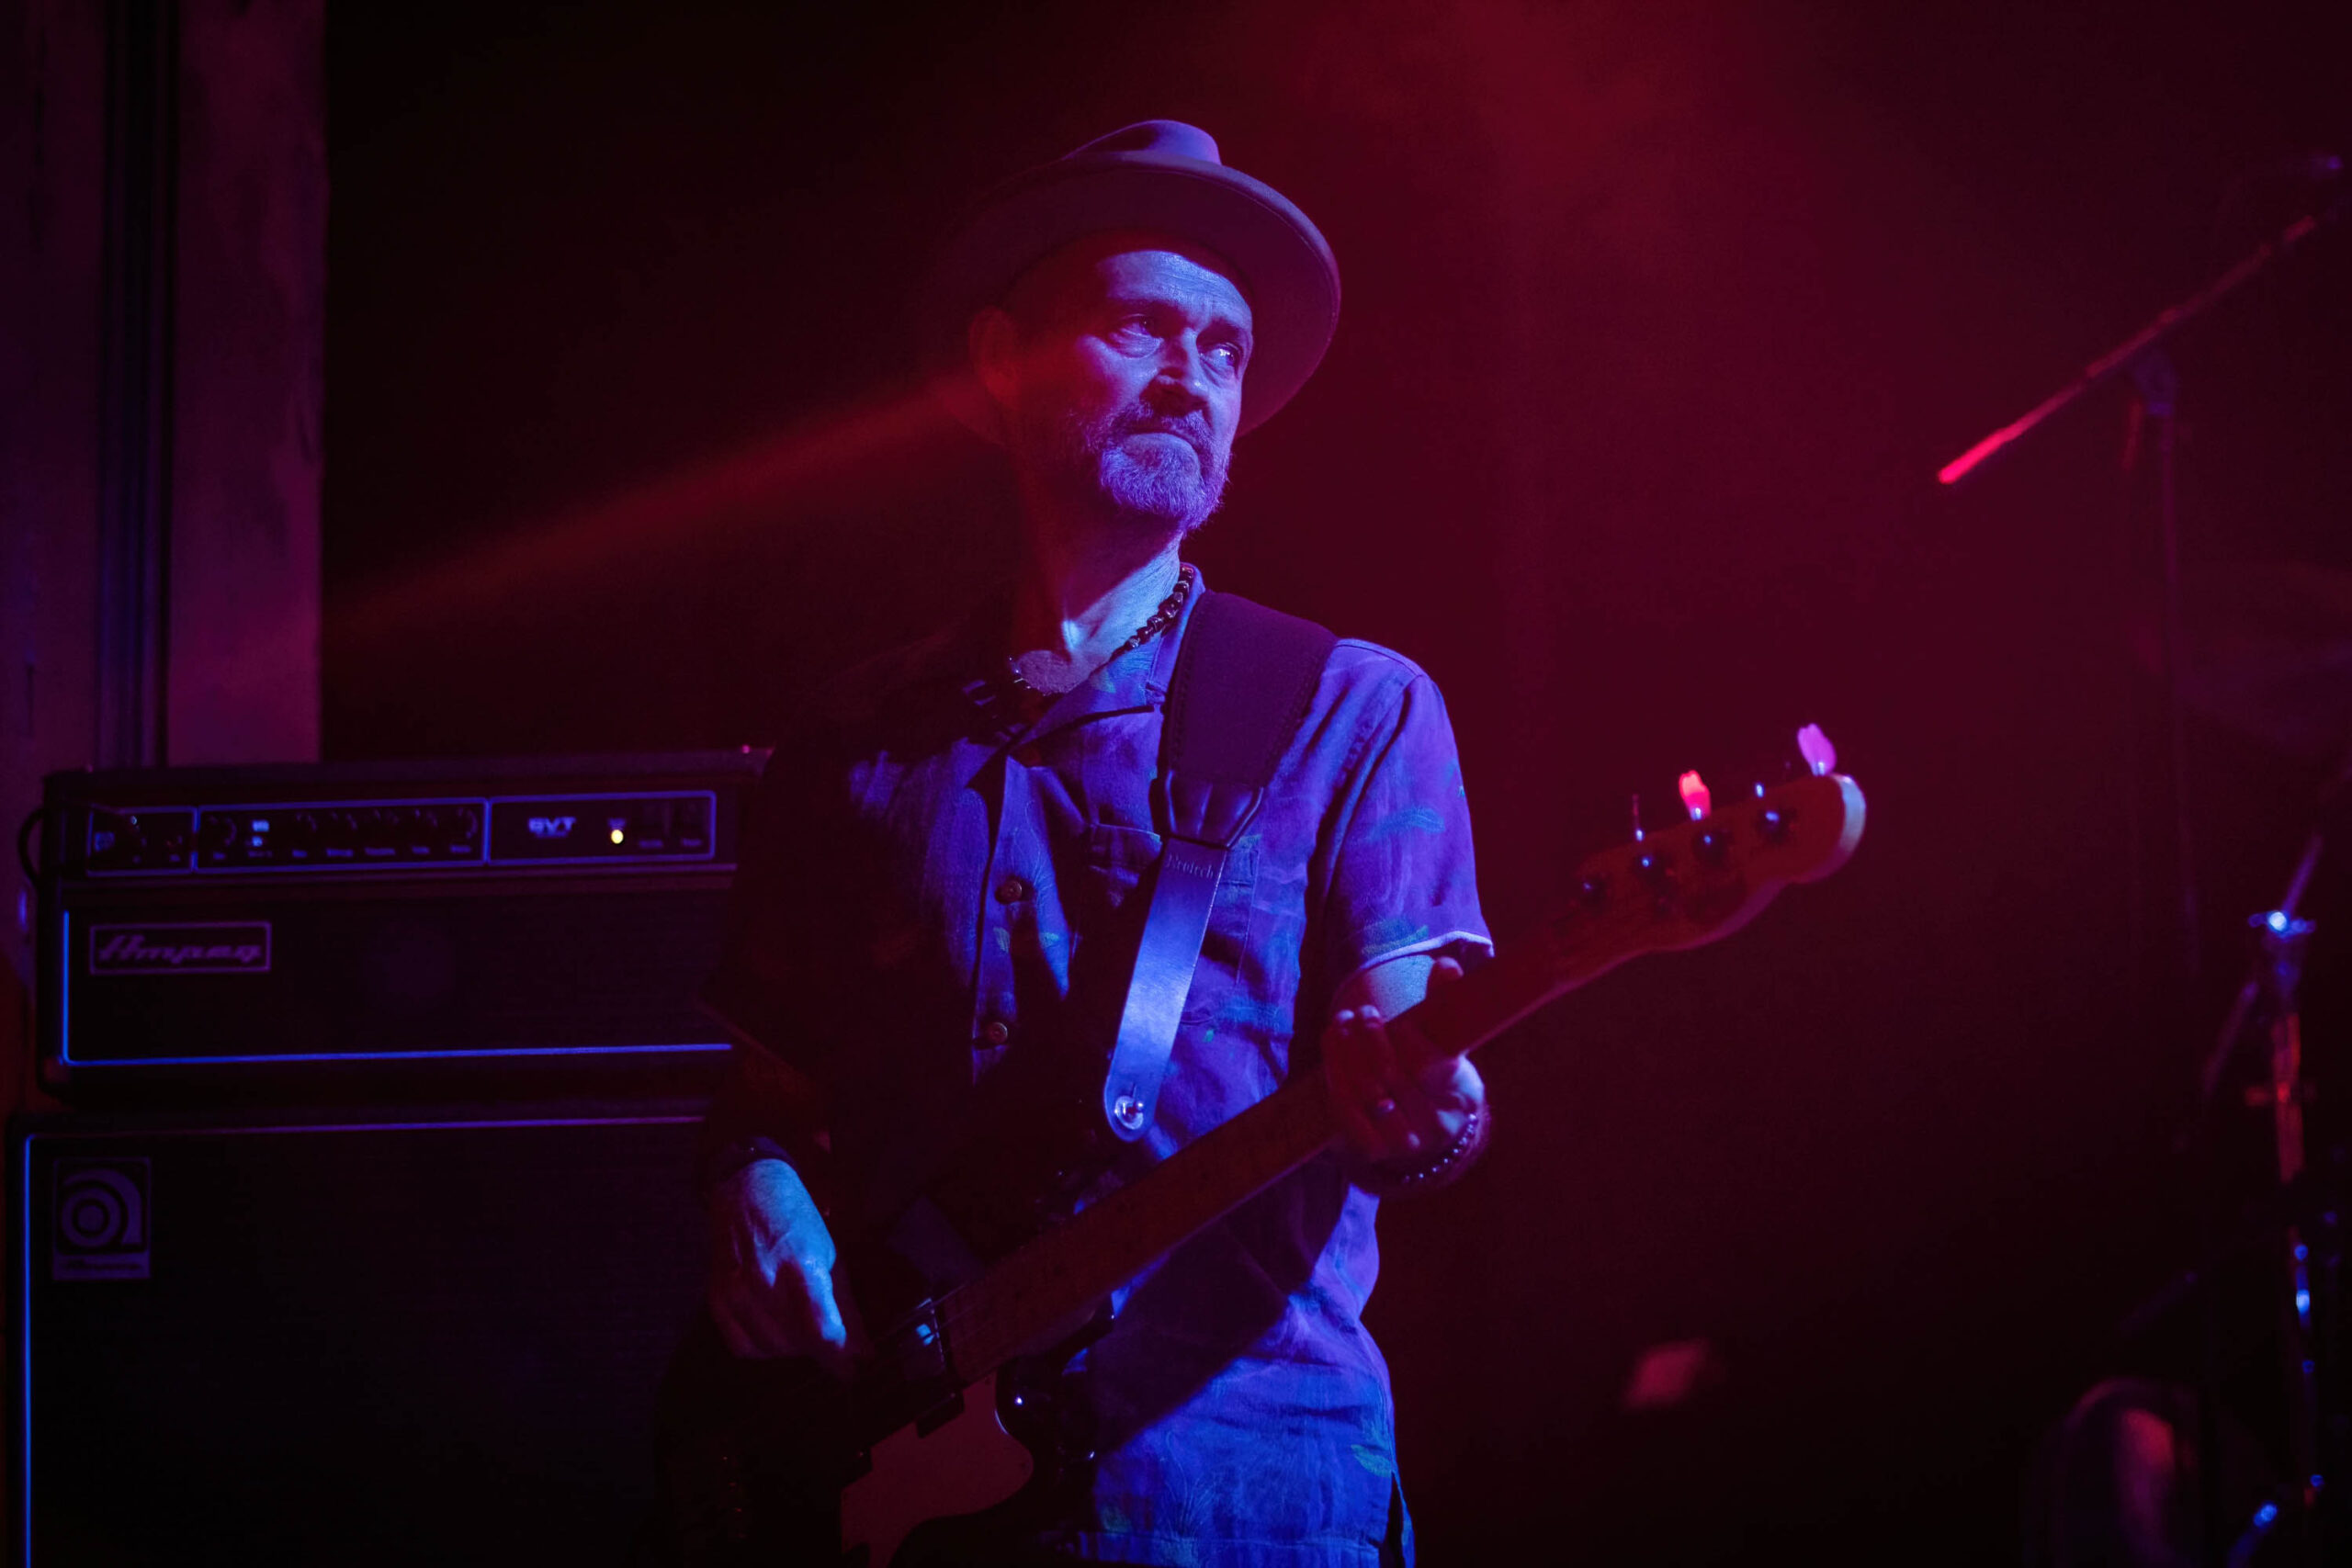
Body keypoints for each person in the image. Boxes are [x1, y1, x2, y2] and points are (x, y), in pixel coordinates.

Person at [691, 121, 1494, 1566]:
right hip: (901, 1495)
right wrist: (754, 1182)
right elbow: (770, 1086)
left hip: (1233, 1490)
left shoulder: (1351, 707)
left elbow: (1417, 1052)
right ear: (1003, 360)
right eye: (1142, 329)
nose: (1193, 377)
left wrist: (1429, 1104)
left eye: (1226, 351)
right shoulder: (854, 737)